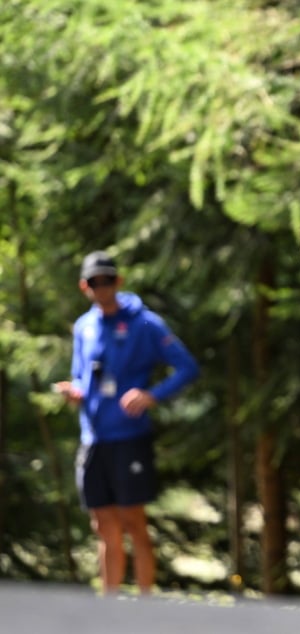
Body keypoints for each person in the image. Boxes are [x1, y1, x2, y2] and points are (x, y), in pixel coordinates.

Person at [54, 251, 199, 595]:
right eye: (94, 282)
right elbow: (80, 377)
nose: (101, 288)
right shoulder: (84, 327)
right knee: (103, 525)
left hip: (130, 438)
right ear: (84, 286)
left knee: (134, 522)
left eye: (107, 280)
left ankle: (145, 609)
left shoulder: (145, 323)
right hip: (94, 439)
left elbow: (187, 367)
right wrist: (74, 392)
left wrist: (152, 395)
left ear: (118, 282)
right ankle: (110, 610)